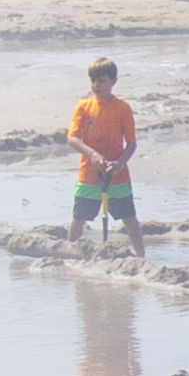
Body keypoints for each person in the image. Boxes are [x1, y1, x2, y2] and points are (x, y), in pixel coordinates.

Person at [65, 56, 143, 260]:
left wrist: (120, 163)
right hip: (89, 174)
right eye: (93, 81)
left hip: (117, 174)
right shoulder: (84, 107)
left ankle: (141, 255)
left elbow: (131, 143)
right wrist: (92, 154)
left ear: (113, 81)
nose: (96, 86)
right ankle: (67, 253)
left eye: (101, 81)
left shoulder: (122, 108)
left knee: (129, 217)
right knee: (79, 217)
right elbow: (72, 138)